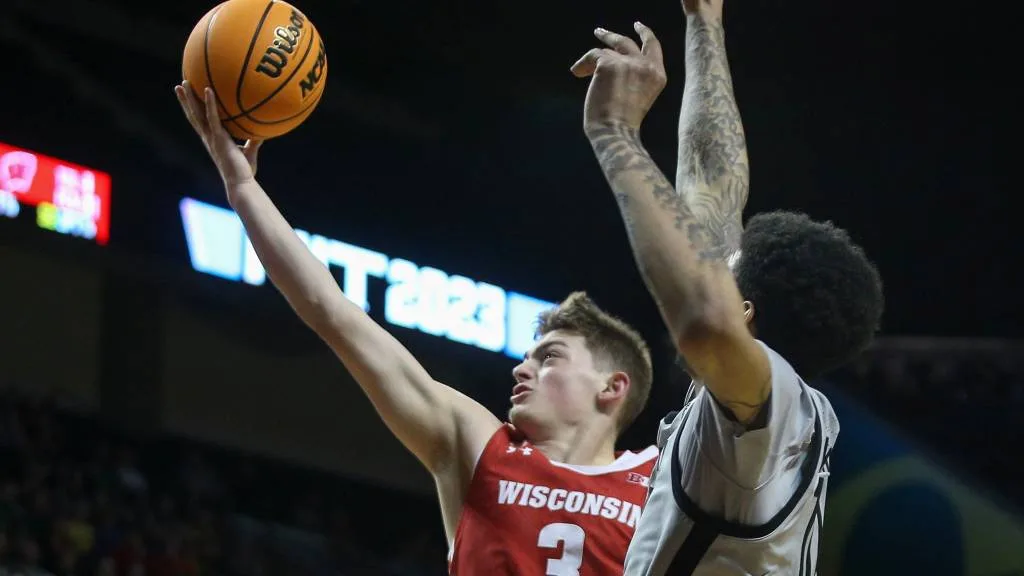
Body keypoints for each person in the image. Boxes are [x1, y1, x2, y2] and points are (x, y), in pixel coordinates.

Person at [173, 82, 659, 575]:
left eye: (549, 356)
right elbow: (333, 313)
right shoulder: (479, 445)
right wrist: (243, 190)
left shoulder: (659, 486)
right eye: (530, 355)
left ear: (612, 386)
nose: (521, 367)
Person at [571, 1, 884, 573]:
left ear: (744, 313)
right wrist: (704, 21)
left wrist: (614, 132)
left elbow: (706, 326)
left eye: (722, 272)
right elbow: (710, 187)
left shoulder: (775, 408)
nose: (706, 265)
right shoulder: (776, 413)